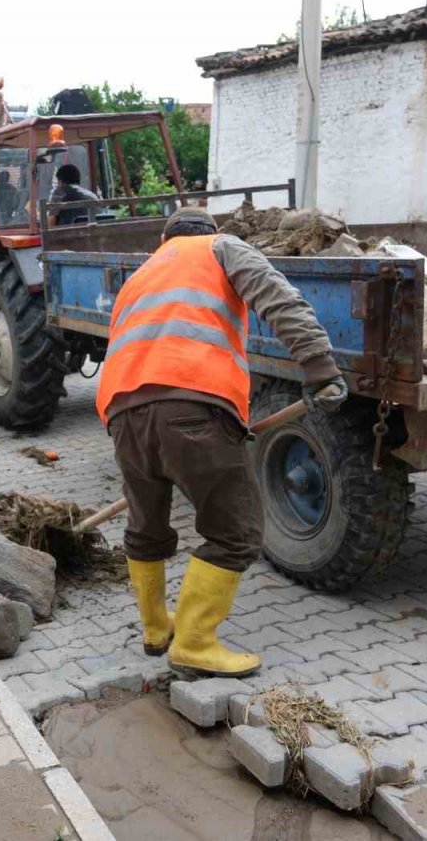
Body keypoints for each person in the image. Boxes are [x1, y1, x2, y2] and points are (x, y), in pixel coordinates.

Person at [96, 207, 348, 679]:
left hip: (122, 414)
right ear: (211, 232)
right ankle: (194, 642)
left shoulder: (139, 274)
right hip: (192, 406)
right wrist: (318, 364)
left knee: (146, 525)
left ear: (165, 237)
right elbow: (281, 301)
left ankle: (156, 630)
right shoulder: (222, 248)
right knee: (236, 532)